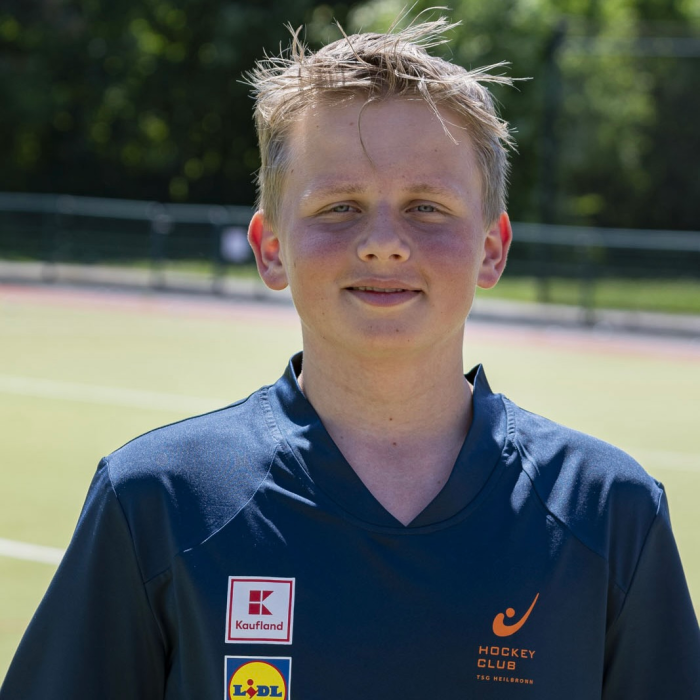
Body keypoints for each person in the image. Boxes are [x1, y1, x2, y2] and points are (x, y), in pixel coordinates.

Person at [1, 17, 698, 700]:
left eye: (427, 207)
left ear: (492, 248)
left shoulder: (607, 512)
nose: (383, 242)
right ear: (271, 248)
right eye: (339, 207)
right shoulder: (158, 500)